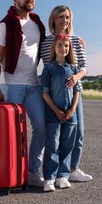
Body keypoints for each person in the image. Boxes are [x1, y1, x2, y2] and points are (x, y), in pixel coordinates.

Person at [0, 0, 46, 187]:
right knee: (13, 133)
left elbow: (54, 43)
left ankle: (32, 172)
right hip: (11, 85)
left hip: (33, 85)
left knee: (41, 128)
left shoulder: (38, 25)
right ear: (15, 0)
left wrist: (76, 40)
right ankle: (12, 174)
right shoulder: (4, 25)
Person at [40, 5, 92, 182]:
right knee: (54, 137)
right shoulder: (46, 42)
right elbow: (46, 66)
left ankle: (73, 169)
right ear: (53, 19)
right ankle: (54, 173)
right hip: (53, 95)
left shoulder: (76, 40)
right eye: (61, 17)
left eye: (68, 17)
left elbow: (84, 66)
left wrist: (77, 77)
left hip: (74, 94)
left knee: (78, 132)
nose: (65, 21)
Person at [41, 34, 81, 192]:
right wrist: (57, 111)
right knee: (53, 145)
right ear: (54, 47)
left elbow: (77, 92)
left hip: (71, 115)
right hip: (53, 114)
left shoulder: (73, 68)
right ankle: (49, 178)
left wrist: (72, 110)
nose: (63, 48)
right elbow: (45, 93)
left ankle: (62, 176)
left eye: (66, 46)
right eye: (60, 45)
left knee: (67, 145)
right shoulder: (49, 69)